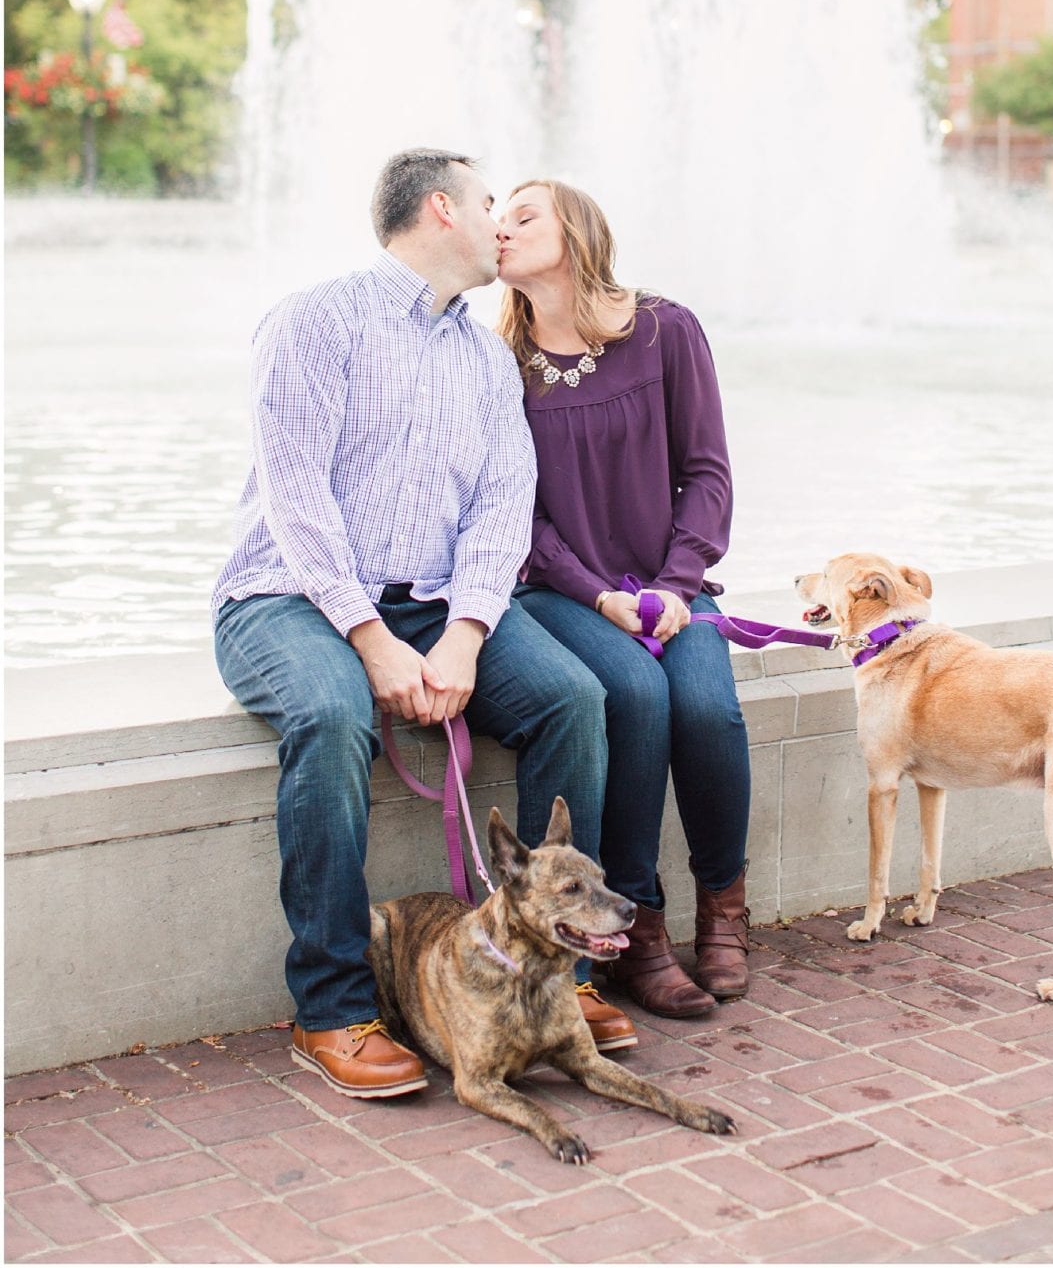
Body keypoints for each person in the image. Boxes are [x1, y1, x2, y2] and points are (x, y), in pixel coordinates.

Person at [212, 148, 636, 1100]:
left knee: (572, 697)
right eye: (490, 203)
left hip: (439, 599)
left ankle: (554, 974)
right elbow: (297, 500)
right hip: (286, 594)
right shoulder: (313, 322)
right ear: (441, 210)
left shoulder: (485, 355)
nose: (502, 221)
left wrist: (465, 633)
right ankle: (330, 1009)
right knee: (330, 718)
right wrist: (370, 639)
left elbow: (501, 503)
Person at [497, 179, 752, 1018]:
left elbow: (706, 471)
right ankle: (639, 932)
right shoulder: (497, 362)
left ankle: (723, 906)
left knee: (707, 711)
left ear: (573, 231)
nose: (500, 229)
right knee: (637, 696)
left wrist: (677, 585)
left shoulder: (663, 330)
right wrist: (600, 597)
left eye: (522, 215)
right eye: (495, 219)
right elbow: (516, 514)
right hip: (562, 591)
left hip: (671, 585)